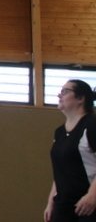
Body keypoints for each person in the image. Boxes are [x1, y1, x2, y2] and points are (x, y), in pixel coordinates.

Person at [44, 79, 96, 222]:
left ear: (80, 98)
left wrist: (92, 196)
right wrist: (51, 202)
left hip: (88, 206)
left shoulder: (91, 126)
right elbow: (60, 171)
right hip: (63, 206)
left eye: (65, 91)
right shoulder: (59, 132)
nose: (59, 95)